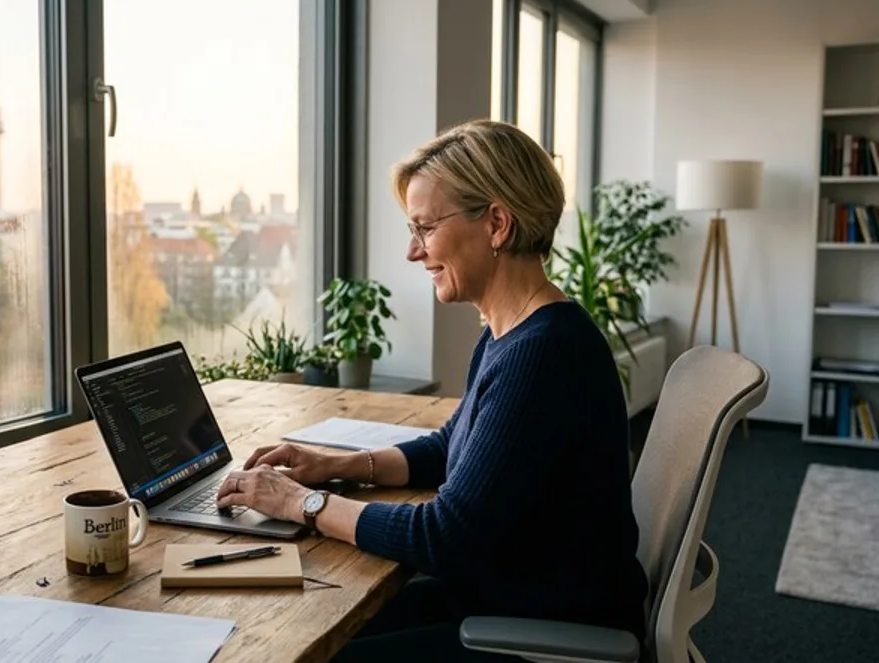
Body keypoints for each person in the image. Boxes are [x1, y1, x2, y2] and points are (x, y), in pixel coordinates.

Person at [215, 119, 649, 661]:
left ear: (496, 223)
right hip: (510, 591)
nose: (412, 252)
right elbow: (451, 448)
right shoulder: (512, 330)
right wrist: (334, 465)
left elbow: (444, 536)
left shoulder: (545, 352)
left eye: (424, 228)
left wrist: (301, 502)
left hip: (548, 622)